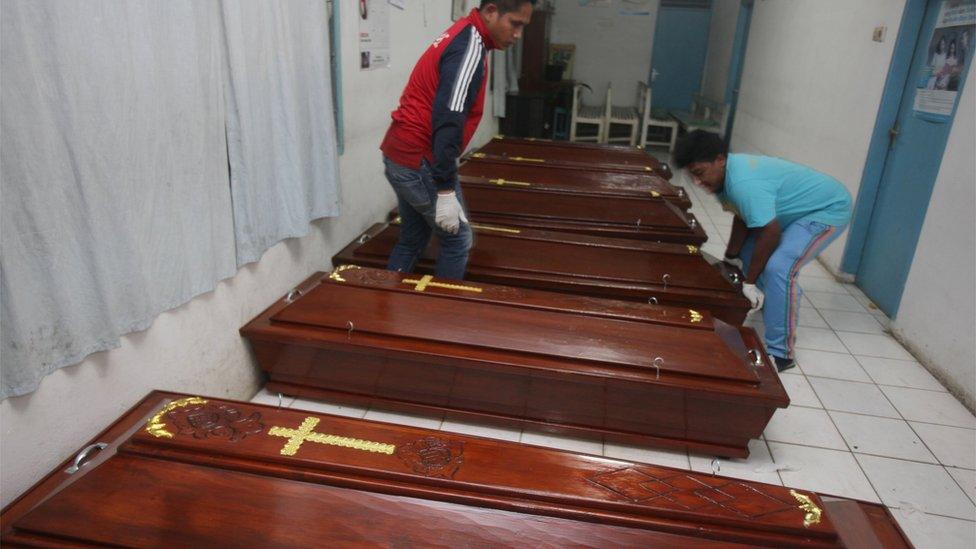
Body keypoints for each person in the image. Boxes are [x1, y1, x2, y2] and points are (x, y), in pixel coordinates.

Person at [379, 0, 534, 280]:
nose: (518, 34)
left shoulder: (465, 33)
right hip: (418, 157)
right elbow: (449, 118)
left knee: (413, 238)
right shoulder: (469, 46)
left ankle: (387, 300)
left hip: (400, 152)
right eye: (515, 23)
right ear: (490, 12)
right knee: (458, 240)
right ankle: (440, 317)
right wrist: (446, 190)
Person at [674, 131, 852, 372]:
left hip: (826, 209)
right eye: (692, 175)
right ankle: (775, 300)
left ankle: (782, 353)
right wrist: (732, 256)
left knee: (780, 267)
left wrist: (750, 282)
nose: (697, 182)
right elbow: (743, 216)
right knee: (748, 255)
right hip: (792, 212)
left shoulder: (743, 183)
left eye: (699, 173)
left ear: (720, 159)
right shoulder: (725, 177)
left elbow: (771, 232)